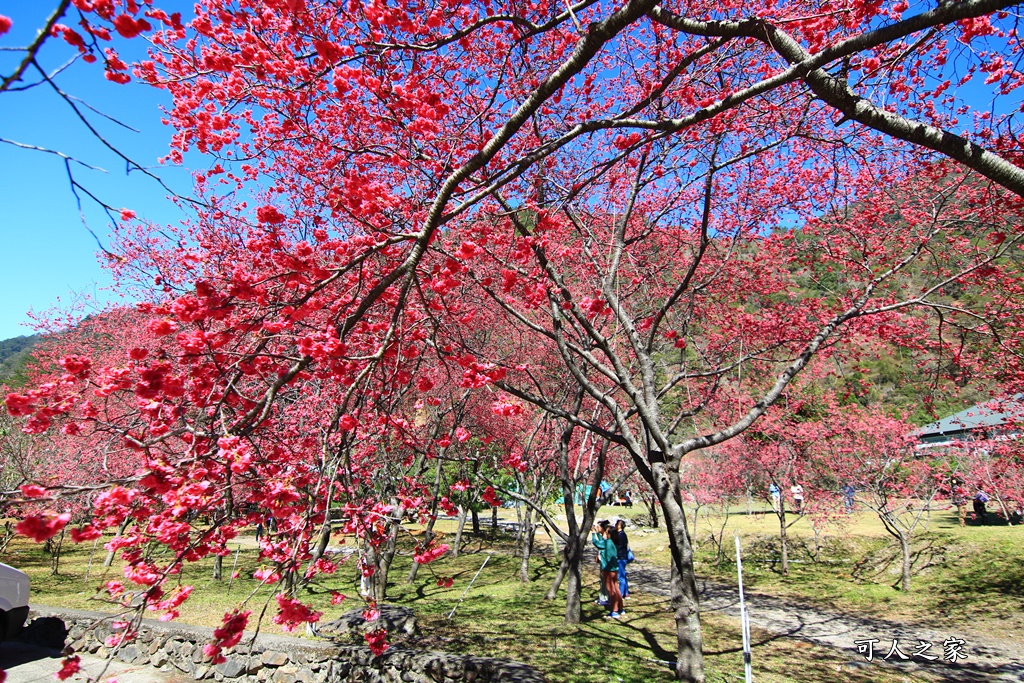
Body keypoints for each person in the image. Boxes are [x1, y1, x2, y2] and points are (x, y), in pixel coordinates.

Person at [591, 520, 624, 619]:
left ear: (609, 534)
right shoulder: (612, 542)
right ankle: (621, 608)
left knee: (611, 590)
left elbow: (597, 543)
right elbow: (603, 543)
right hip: (615, 569)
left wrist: (593, 534)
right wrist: (597, 533)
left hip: (608, 570)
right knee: (616, 589)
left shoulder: (608, 543)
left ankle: (614, 611)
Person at [611, 519, 631, 600]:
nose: (616, 525)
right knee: (623, 575)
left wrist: (615, 551)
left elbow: (621, 546)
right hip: (622, 556)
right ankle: (626, 593)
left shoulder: (621, 534)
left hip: (621, 557)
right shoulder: (620, 534)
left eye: (617, 524)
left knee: (621, 576)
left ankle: (621, 594)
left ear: (620, 526)